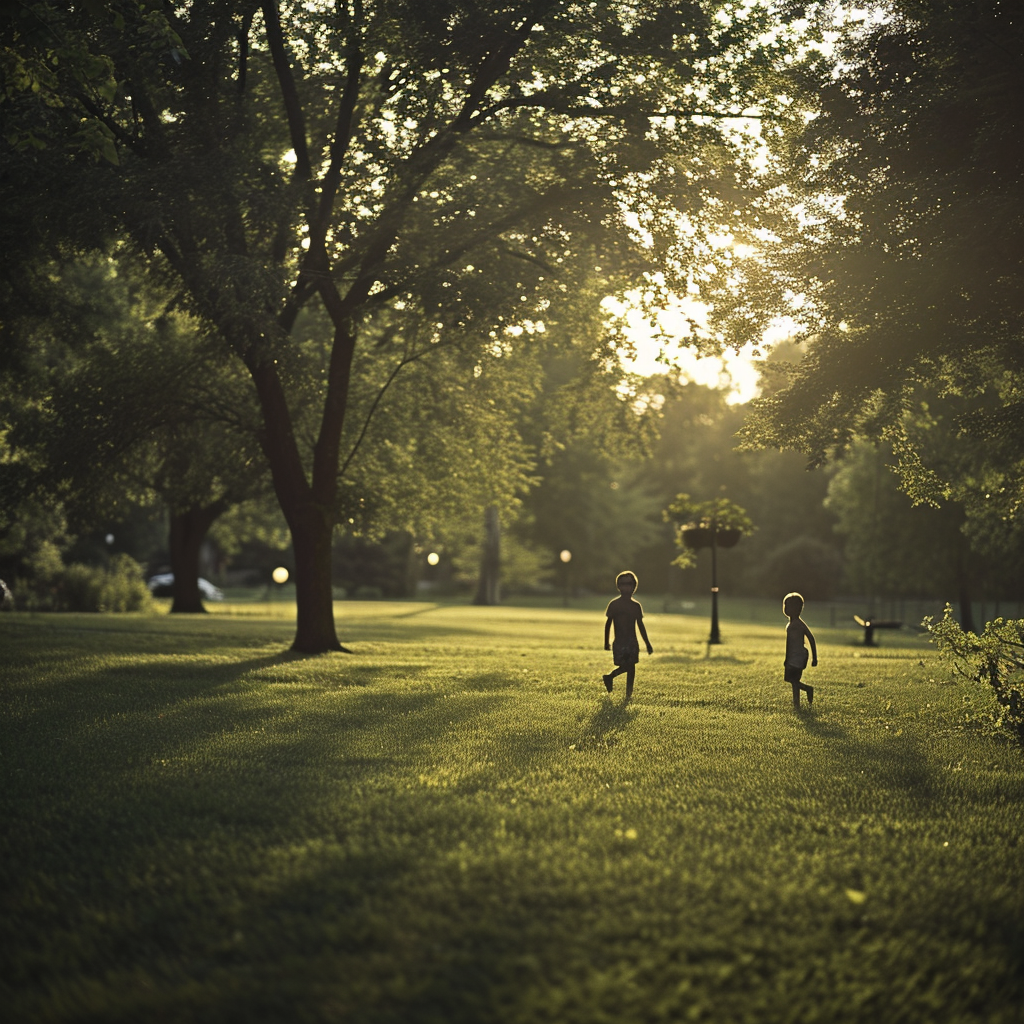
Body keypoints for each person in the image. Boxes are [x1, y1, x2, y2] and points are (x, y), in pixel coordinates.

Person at [603, 571, 653, 702]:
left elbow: (640, 626)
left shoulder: (636, 606)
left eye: (629, 584)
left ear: (634, 587)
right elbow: (608, 623)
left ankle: (628, 694)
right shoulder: (614, 604)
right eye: (623, 584)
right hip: (619, 642)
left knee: (631, 669)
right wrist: (606, 642)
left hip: (632, 642)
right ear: (618, 586)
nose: (626, 587)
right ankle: (610, 677)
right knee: (627, 666)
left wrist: (647, 643)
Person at [783, 591, 817, 707]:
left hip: (798, 657)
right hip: (793, 656)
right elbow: (789, 644)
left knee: (793, 680)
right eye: (785, 606)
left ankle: (804, 693)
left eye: (789, 606)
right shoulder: (791, 625)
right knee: (792, 680)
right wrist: (787, 658)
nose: (786, 609)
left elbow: (811, 639)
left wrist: (814, 658)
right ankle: (797, 701)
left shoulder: (798, 624)